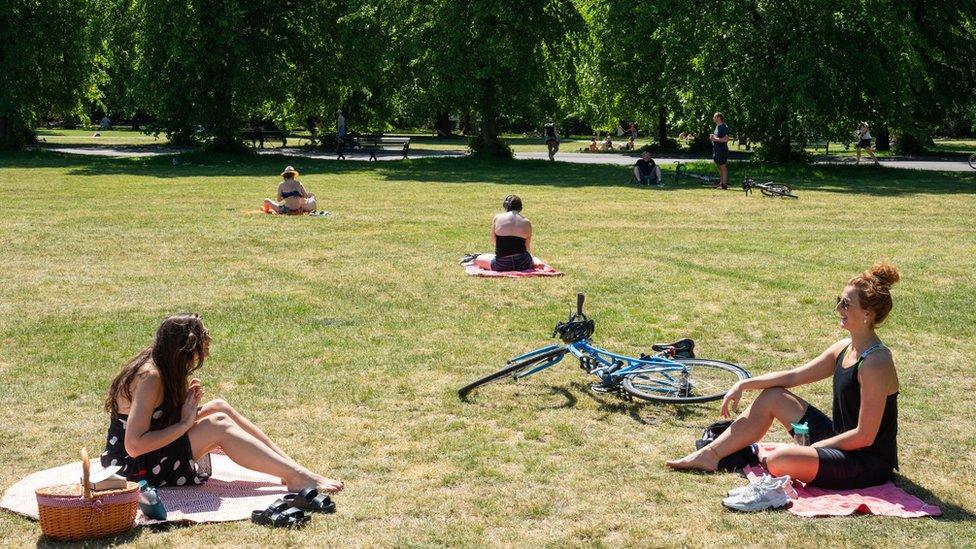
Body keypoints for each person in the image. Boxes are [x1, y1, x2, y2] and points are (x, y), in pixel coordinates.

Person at [667, 262, 902, 491]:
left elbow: (864, 436)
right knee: (773, 396)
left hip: (864, 462)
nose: (838, 309)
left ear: (867, 314)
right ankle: (710, 454)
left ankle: (778, 456)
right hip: (840, 441)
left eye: (846, 304)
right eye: (838, 300)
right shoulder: (843, 347)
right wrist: (744, 384)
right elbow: (793, 376)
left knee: (779, 460)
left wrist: (817, 448)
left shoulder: (875, 363)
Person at [102, 314, 343, 492]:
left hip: (149, 456)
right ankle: (296, 476)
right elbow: (134, 445)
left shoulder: (165, 363)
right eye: (204, 335)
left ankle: (291, 468)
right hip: (134, 469)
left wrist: (184, 410)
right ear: (187, 345)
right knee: (217, 425)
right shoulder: (151, 377)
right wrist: (185, 423)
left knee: (219, 406)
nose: (209, 339)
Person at [472, 195, 541, 272]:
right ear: (520, 208)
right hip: (523, 263)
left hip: (501, 264)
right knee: (533, 257)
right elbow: (527, 247)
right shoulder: (526, 222)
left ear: (505, 205)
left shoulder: (498, 218)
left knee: (478, 259)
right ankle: (538, 262)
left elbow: (493, 240)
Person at [709, 112, 730, 189]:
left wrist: (715, 139)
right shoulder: (717, 126)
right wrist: (713, 137)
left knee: (723, 166)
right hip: (716, 150)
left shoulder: (724, 127)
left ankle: (724, 184)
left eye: (714, 117)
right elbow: (718, 137)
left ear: (718, 118)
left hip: (722, 150)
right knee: (718, 166)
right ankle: (721, 183)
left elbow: (726, 139)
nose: (713, 118)